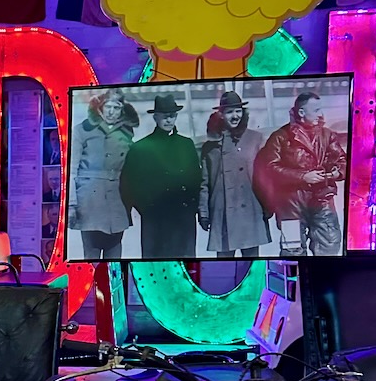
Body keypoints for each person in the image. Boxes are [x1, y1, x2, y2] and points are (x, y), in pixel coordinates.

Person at [253, 91, 347, 256]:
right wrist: (302, 176)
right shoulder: (280, 138)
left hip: (322, 199)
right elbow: (269, 169)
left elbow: (342, 162)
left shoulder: (327, 135)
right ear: (302, 112)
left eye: (321, 109)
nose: (321, 114)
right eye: (316, 110)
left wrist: (334, 173)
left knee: (329, 247)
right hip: (290, 205)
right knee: (293, 251)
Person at [119, 94, 201, 258]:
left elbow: (197, 179)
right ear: (156, 117)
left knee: (185, 263)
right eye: (164, 116)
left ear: (176, 116)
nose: (168, 120)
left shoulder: (186, 144)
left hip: (183, 218)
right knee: (155, 264)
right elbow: (129, 183)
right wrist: (145, 208)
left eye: (172, 116)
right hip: (155, 219)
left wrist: (192, 207)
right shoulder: (141, 148)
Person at [198, 90, 271, 258]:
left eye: (238, 111)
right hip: (222, 213)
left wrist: (269, 204)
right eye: (229, 112)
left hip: (250, 211)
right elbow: (204, 184)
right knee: (223, 263)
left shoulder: (255, 139)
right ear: (221, 114)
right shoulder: (211, 147)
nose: (235, 116)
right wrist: (203, 212)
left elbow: (266, 176)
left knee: (252, 263)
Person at [67, 88, 139, 260]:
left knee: (114, 253)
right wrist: (71, 204)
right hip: (89, 200)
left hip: (117, 200)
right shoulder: (82, 130)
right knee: (91, 256)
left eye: (117, 107)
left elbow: (131, 170)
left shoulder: (126, 133)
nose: (112, 112)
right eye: (108, 107)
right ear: (100, 107)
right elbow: (71, 170)